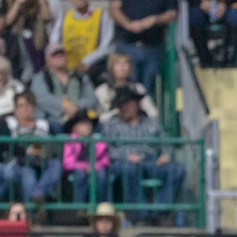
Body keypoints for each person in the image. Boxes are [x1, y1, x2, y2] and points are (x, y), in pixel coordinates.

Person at [102, 86, 186, 223]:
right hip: (123, 163)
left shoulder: (152, 122)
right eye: (122, 105)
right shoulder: (110, 125)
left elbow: (166, 142)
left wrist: (165, 155)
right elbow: (105, 149)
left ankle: (160, 211)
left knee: (177, 169)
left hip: (151, 161)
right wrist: (125, 156)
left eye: (128, 104)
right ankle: (140, 215)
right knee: (129, 169)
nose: (125, 108)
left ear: (136, 104)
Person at [109, 0, 179, 92]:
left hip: (153, 47)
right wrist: (128, 25)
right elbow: (114, 8)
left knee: (148, 90)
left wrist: (153, 20)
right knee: (125, 88)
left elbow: (172, 14)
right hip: (127, 45)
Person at [0, 91, 58, 206]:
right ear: (15, 108)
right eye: (21, 106)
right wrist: (26, 151)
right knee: (27, 172)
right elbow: (6, 144)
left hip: (42, 159)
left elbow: (54, 144)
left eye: (28, 105)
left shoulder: (44, 124)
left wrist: (45, 151)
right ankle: (34, 207)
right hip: (18, 161)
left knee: (56, 164)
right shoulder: (7, 123)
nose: (25, 109)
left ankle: (39, 195)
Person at [49, 0, 114, 79]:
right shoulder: (64, 17)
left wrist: (86, 62)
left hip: (94, 68)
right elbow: (54, 43)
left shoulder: (101, 16)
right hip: (67, 70)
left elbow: (106, 46)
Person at [30, 42, 97, 125]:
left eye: (61, 54)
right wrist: (64, 106)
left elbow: (91, 99)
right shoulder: (40, 78)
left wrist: (76, 107)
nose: (59, 57)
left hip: (79, 120)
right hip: (52, 122)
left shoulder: (80, 76)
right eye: (55, 55)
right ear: (47, 60)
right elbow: (41, 98)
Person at [4, 0, 54, 72]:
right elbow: (6, 22)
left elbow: (47, 17)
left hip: (36, 40)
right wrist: (18, 2)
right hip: (17, 41)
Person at [94, 52, 158, 124]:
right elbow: (100, 116)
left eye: (126, 63)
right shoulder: (102, 90)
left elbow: (153, 113)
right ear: (111, 67)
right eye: (118, 63)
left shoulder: (138, 88)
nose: (122, 67)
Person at [62, 110, 109, 204]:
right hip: (77, 169)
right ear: (75, 127)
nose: (88, 126)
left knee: (101, 175)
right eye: (83, 124)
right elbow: (67, 162)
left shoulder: (98, 140)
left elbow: (105, 160)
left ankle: (101, 205)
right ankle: (80, 207)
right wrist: (85, 166)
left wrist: (94, 166)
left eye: (89, 124)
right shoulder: (71, 141)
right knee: (80, 174)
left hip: (96, 167)